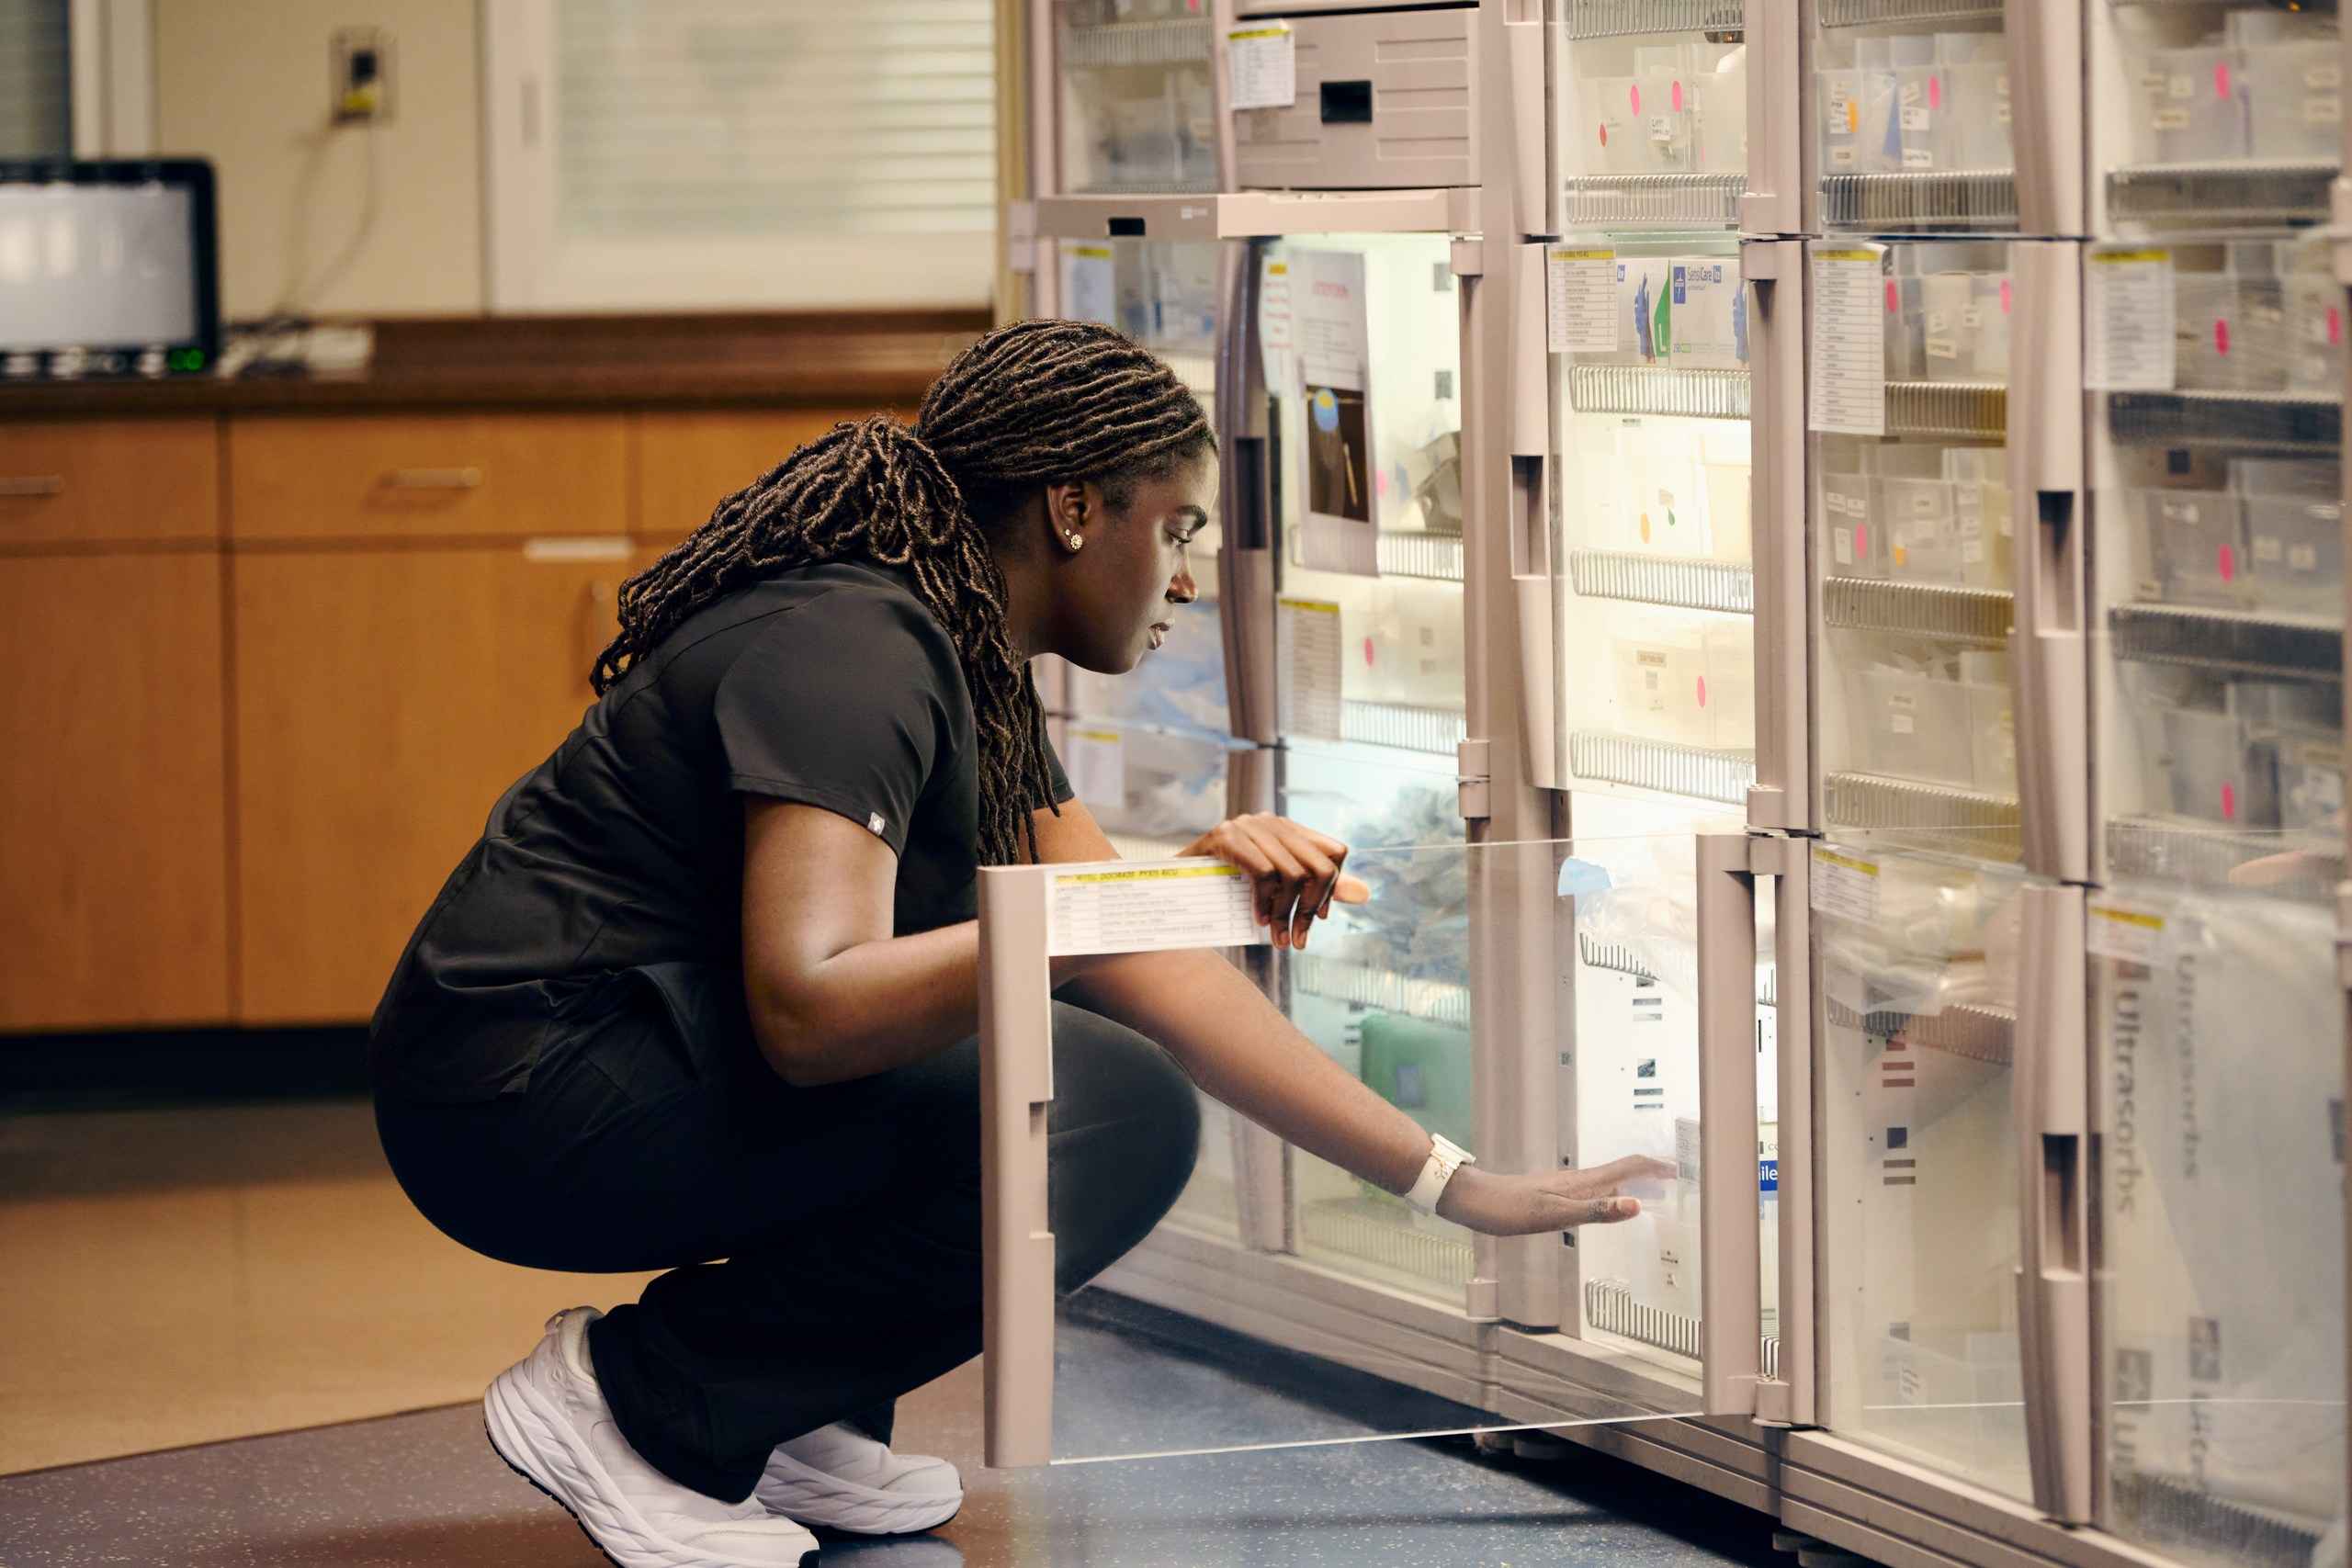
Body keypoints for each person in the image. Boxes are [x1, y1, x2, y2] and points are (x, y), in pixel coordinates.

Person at [368, 321, 1664, 1568]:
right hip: (516, 1093)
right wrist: (1114, 907)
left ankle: (789, 1419)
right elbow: (811, 1011)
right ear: (1075, 510)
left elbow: (1133, 955)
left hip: (607, 1060)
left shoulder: (961, 662)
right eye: (1179, 527)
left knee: (1092, 1070)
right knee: (1105, 1109)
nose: (1189, 573)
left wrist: (1454, 1185)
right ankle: (645, 1401)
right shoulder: (855, 647)